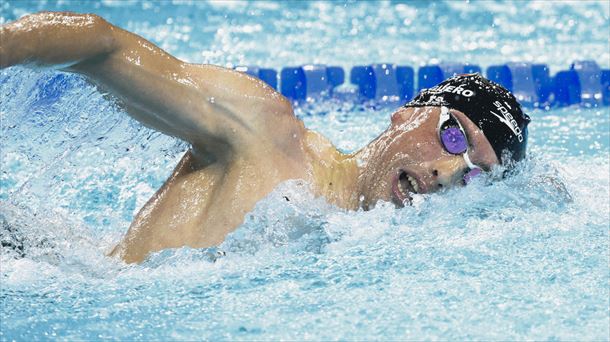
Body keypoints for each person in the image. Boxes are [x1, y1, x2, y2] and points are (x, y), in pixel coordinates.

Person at [0, 12, 530, 263]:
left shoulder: (361, 249)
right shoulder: (268, 136)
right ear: (405, 114)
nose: (448, 172)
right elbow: (102, 45)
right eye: (454, 138)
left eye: (475, 176)